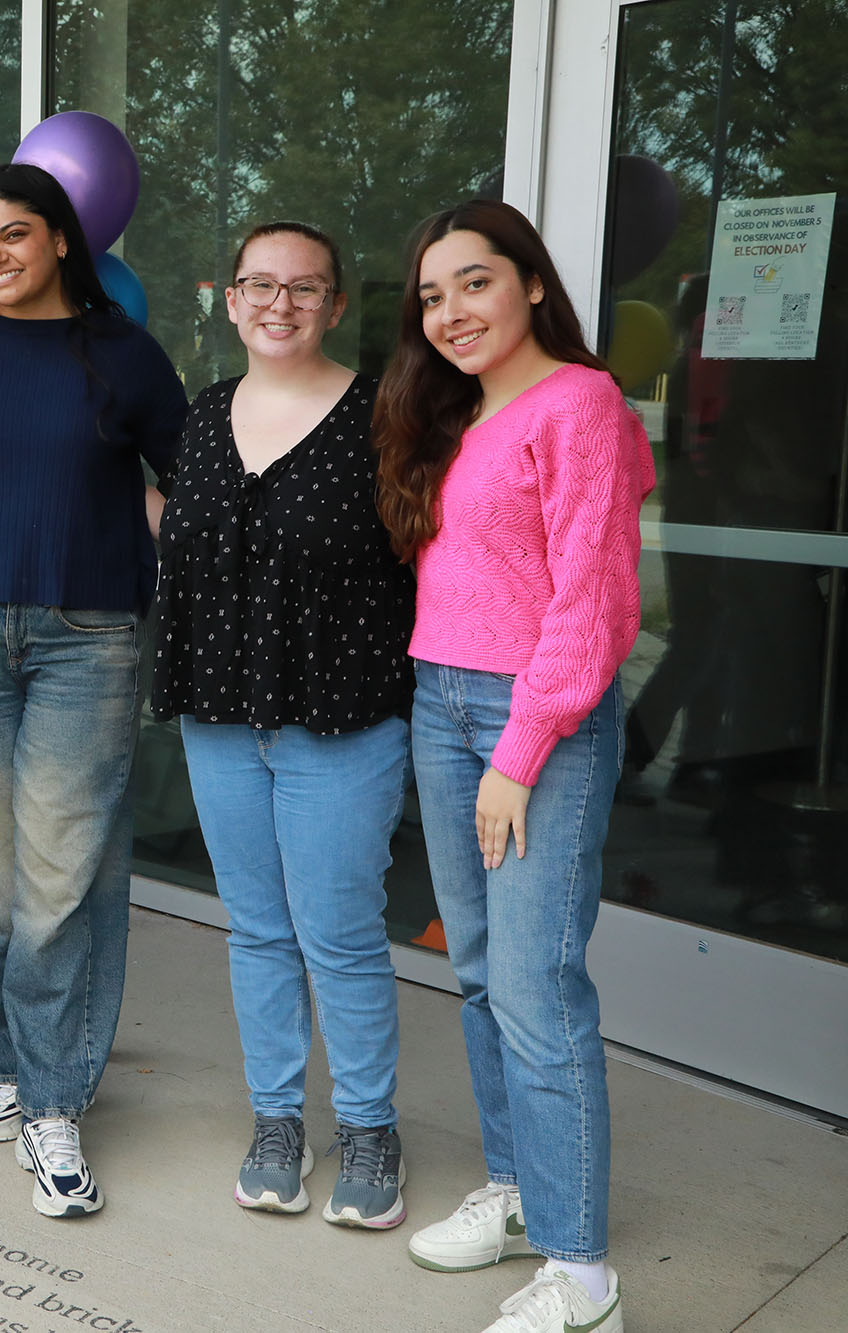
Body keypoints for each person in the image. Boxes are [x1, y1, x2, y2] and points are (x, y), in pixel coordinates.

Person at [373, 199, 651, 1333]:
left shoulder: (580, 403)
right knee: (483, 971)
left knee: (538, 990)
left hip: (534, 714)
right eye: (431, 295)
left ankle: (583, 1279)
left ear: (532, 282)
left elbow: (594, 601)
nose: (451, 312)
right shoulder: (461, 412)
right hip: (439, 698)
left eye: (474, 282)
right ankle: (522, 1192)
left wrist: (520, 751)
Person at [0, 163, 187, 1218]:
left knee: (62, 874)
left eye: (13, 236)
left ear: (62, 238)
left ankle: (55, 1098)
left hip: (88, 639)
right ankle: (16, 1062)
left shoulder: (124, 354)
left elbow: (186, 487)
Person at [151, 222, 414, 1228]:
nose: (280, 303)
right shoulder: (203, 413)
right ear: (229, 299)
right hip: (221, 714)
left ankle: (368, 1126)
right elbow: (194, 546)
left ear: (335, 305)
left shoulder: (383, 416)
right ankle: (275, 1120)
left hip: (339, 719)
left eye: (304, 288)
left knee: (338, 936)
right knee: (258, 930)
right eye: (259, 285)